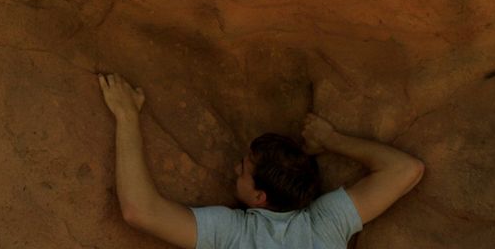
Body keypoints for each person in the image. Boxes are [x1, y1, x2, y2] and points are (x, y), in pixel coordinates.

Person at [97, 73, 425, 249]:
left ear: (259, 197)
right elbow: (406, 169)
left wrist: (127, 117)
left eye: (244, 169)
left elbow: (140, 211)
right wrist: (331, 140)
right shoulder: (325, 223)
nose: (235, 169)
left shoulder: (235, 233)